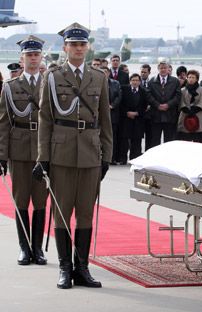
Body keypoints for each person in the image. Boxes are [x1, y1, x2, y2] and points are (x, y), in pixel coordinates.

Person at [33, 22, 113, 289]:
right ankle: (65, 269)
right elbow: (45, 119)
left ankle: (83, 269)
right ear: (65, 47)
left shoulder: (99, 77)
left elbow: (105, 119)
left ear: (87, 47)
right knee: (62, 212)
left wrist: (107, 155)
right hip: (62, 153)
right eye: (73, 44)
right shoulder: (53, 77)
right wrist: (43, 157)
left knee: (87, 214)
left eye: (82, 44)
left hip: (90, 153)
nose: (78, 48)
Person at [0, 35, 49, 266]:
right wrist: (2, 155)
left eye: (36, 54)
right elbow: (3, 123)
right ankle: (23, 247)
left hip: (42, 149)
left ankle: (37, 247)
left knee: (40, 200)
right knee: (21, 200)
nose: (32, 58)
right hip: (18, 149)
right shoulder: (10, 87)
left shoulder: (50, 85)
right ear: (22, 58)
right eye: (29, 54)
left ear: (41, 57)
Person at [146, 61, 181, 147]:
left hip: (170, 115)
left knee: (169, 140)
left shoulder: (175, 81)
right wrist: (157, 105)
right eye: (161, 68)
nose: (163, 70)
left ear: (168, 69)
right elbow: (148, 96)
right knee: (155, 140)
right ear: (158, 69)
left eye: (165, 68)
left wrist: (168, 105)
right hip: (156, 115)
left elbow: (178, 96)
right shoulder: (151, 81)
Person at [119, 73, 147, 161]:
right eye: (133, 80)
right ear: (130, 81)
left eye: (137, 80)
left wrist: (137, 113)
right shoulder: (124, 89)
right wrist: (127, 112)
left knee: (137, 140)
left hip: (138, 119)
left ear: (140, 82)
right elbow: (120, 103)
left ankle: (135, 159)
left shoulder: (143, 91)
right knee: (124, 140)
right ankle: (122, 159)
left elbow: (145, 105)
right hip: (126, 118)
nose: (135, 82)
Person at [177, 69, 202, 142]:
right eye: (189, 77)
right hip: (185, 116)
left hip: (198, 116)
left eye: (193, 77)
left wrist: (194, 110)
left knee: (198, 140)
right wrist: (187, 110)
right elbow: (181, 102)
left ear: (197, 79)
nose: (191, 79)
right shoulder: (183, 90)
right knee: (185, 140)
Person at [101, 66, 122, 165]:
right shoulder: (95, 82)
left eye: (106, 71)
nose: (104, 73)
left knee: (112, 137)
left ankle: (111, 158)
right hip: (99, 114)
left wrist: (112, 105)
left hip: (112, 113)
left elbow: (119, 96)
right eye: (102, 71)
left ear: (109, 73)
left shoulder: (115, 83)